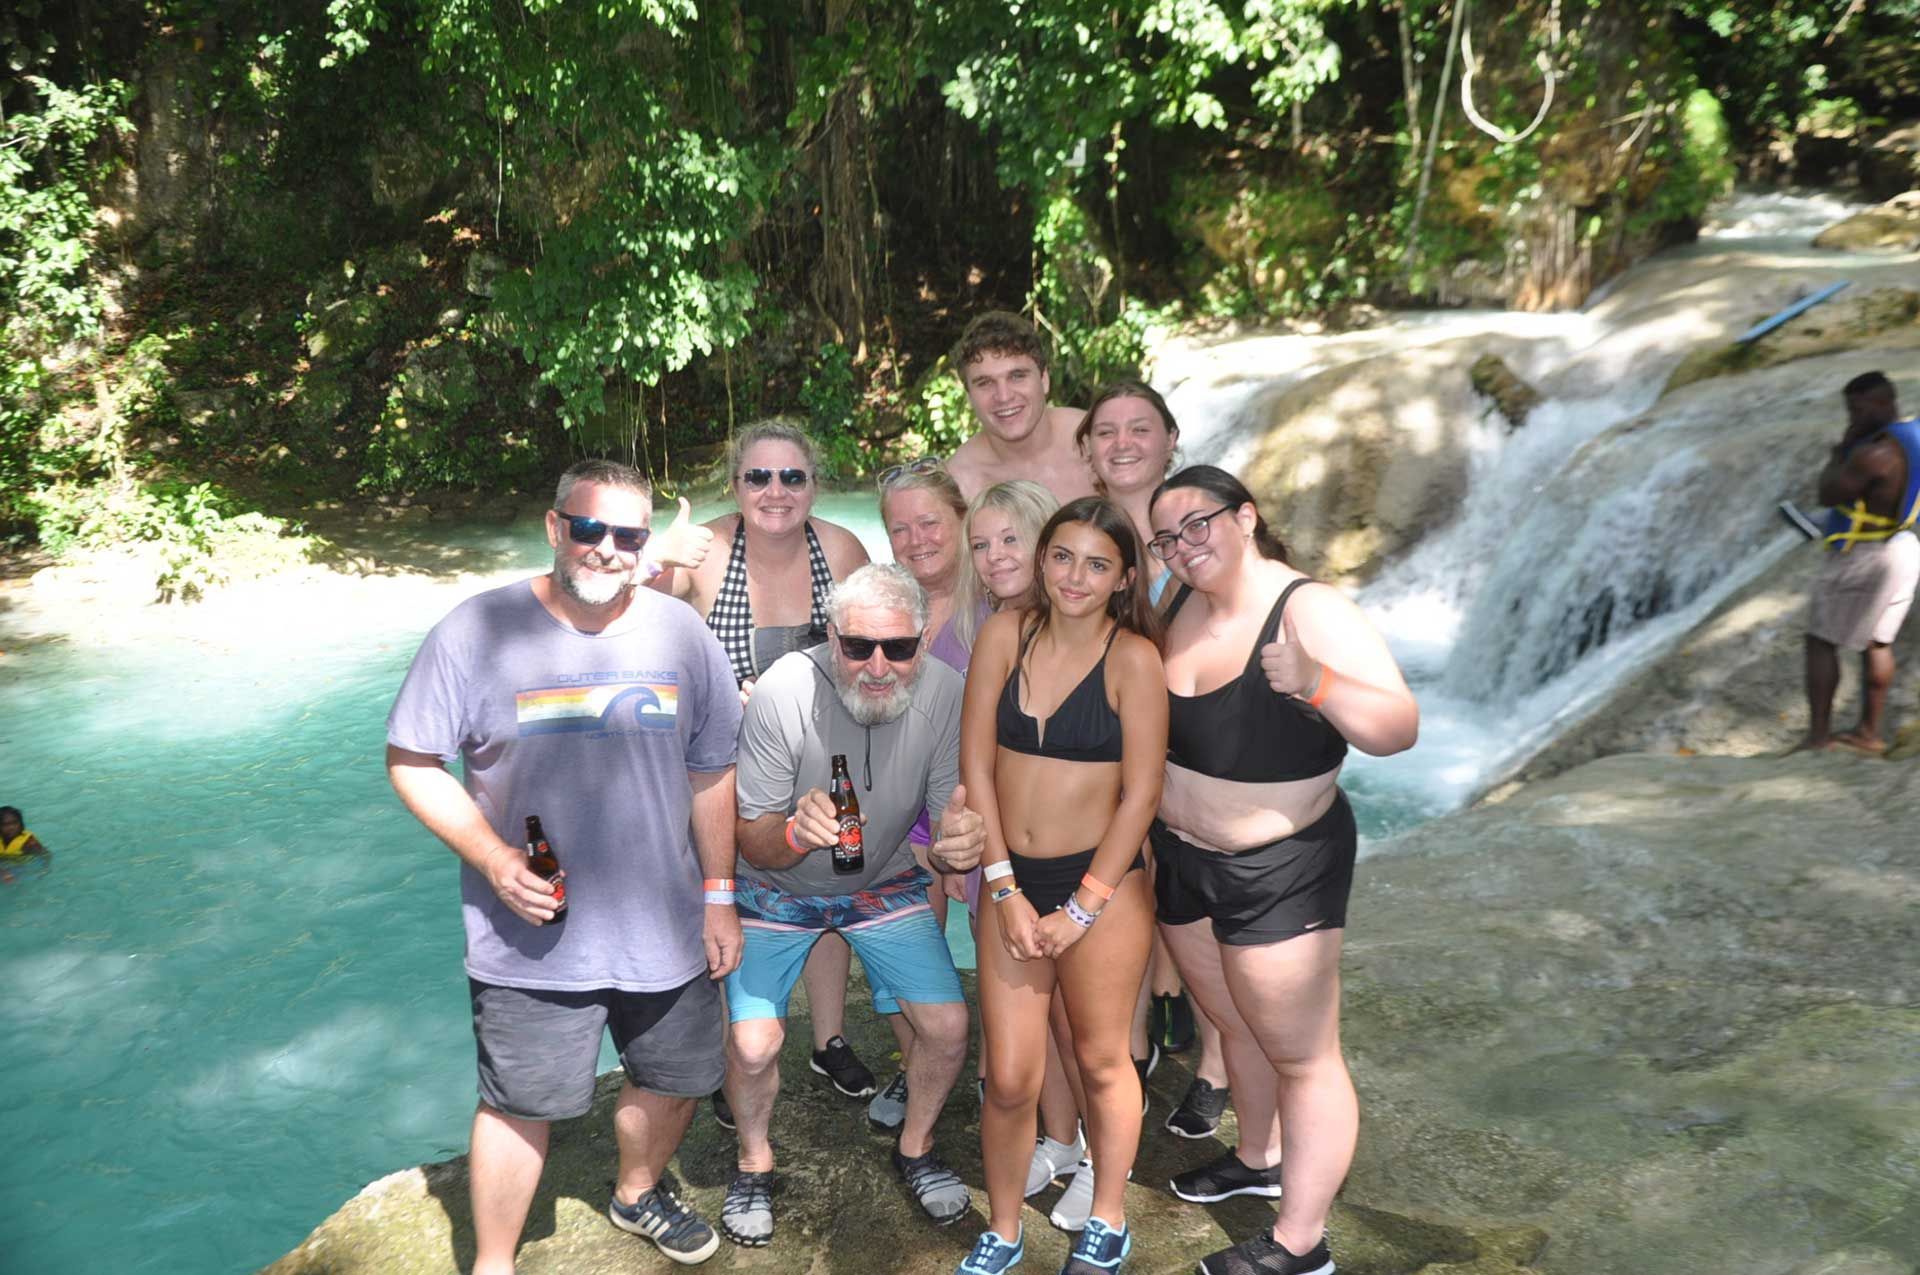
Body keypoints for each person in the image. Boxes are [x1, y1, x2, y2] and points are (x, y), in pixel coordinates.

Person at [386, 458, 744, 1273]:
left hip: (666, 918)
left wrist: (719, 895)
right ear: (556, 528)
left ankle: (637, 1189)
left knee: (680, 1072)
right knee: (519, 1102)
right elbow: (411, 760)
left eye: (629, 535)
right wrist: (492, 854)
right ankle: (496, 1260)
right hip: (531, 932)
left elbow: (712, 767)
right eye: (589, 529)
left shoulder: (680, 631)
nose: (607, 548)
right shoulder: (476, 631)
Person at [1147, 466, 1417, 1275]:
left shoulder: (1311, 609)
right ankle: (1258, 1156)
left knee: (1305, 1055)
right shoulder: (1177, 605)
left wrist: (1318, 681)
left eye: (1198, 524)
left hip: (1280, 866)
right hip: (1183, 860)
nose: (1183, 546)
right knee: (1234, 1022)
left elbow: (1399, 726)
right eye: (1167, 537)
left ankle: (1301, 1244)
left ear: (1247, 516)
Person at [720, 564, 985, 1245]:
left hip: (882, 884)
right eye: (857, 645)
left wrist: (960, 846)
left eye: (898, 647)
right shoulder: (785, 688)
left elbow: (947, 822)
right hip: (775, 889)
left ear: (922, 643)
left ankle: (916, 1147)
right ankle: (753, 1159)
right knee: (754, 1044)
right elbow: (747, 833)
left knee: (950, 1027)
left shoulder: (948, 690)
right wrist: (790, 834)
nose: (877, 665)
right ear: (830, 636)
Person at [957, 497, 1167, 1275]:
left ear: (1124, 578)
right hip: (1011, 877)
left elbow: (1142, 795)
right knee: (1010, 1074)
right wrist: (1004, 887)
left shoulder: (1134, 658)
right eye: (1063, 556)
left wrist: (1082, 906)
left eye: (1097, 563)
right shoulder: (1005, 633)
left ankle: (1107, 1218)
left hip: (1103, 887)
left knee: (1103, 1057)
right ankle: (1005, 1229)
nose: (1075, 576)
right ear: (1043, 560)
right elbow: (976, 765)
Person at [649, 422, 880, 1117]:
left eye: (792, 477)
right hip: (720, 765)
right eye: (759, 477)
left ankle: (830, 1036)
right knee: (728, 903)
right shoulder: (705, 551)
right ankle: (732, 1051)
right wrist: (658, 563)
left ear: (814, 482)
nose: (775, 492)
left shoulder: (840, 549)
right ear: (735, 483)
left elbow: (873, 652)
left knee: (827, 893)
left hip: (819, 750)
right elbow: (645, 654)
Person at [1077, 381, 1231, 1137]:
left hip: (1196, 756)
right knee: (1134, 906)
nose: (1124, 442)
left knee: (1197, 918)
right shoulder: (1089, 532)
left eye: (1141, 428)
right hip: (1116, 760)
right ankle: (1127, 1051)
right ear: (1089, 451)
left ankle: (1215, 1069)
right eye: (1106, 431)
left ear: (1172, 439)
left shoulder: (1200, 530)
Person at [1800, 371, 1920, 754]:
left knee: (1820, 641)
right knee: (1876, 643)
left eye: (1857, 408)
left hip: (1866, 555)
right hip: (1903, 545)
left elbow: (1828, 493)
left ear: (1885, 402)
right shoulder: (1914, 436)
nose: (1852, 416)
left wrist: (1840, 452)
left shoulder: (1873, 453)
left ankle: (1818, 738)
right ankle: (1869, 734)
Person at [945, 311, 1097, 505]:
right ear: (969, 397)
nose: (1004, 396)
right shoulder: (959, 485)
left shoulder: (1095, 442)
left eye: (1017, 376)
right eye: (985, 383)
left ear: (1044, 380)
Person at [0, 806, 50, 884]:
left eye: (15, 823)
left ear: (21, 824)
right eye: (5, 824)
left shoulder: (29, 842)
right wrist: (2, 872)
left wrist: (44, 869)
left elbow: (45, 854)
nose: (11, 827)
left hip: (19, 865)